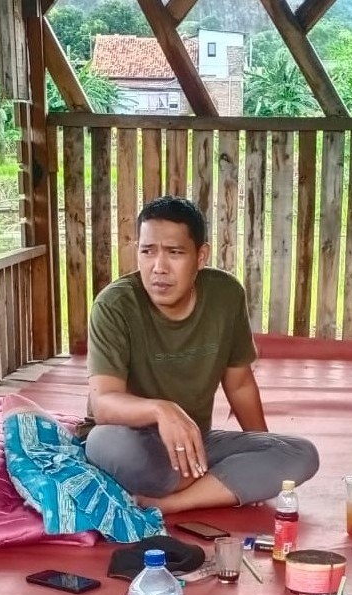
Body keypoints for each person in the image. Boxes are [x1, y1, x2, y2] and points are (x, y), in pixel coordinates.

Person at [83, 196, 318, 514]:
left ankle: (171, 503)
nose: (159, 267)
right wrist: (161, 410)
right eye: (147, 251)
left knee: (301, 455)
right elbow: (104, 404)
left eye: (175, 253)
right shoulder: (114, 305)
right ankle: (217, 484)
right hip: (133, 442)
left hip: (196, 444)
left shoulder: (225, 295)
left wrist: (263, 448)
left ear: (201, 256)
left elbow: (239, 384)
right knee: (104, 443)